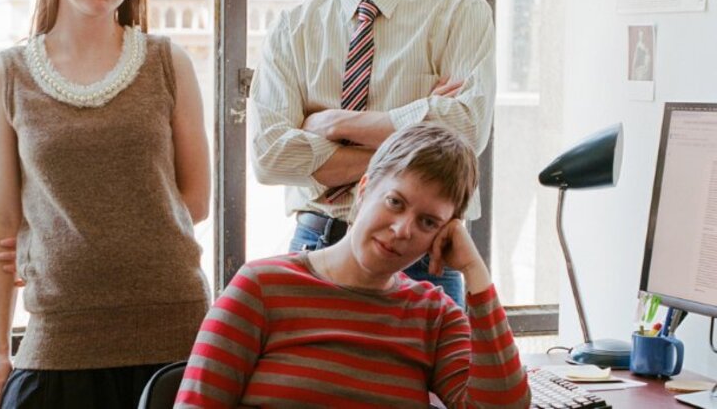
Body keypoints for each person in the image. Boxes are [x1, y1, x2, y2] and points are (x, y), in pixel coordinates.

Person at [0, 0, 211, 409]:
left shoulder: (169, 64)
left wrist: (86, 235)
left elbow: (195, 201)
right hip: (60, 336)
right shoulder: (5, 78)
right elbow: (2, 221)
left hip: (174, 326)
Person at [250, 0, 496, 307]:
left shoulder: (458, 10)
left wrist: (338, 125)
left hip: (423, 257)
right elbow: (268, 154)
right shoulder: (293, 28)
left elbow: (466, 129)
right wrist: (419, 150)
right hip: (318, 245)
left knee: (427, 388)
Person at [176, 123, 529, 408]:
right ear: (364, 190)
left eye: (427, 222)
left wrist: (474, 270)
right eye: (394, 201)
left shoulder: (433, 316)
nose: (401, 229)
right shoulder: (261, 287)